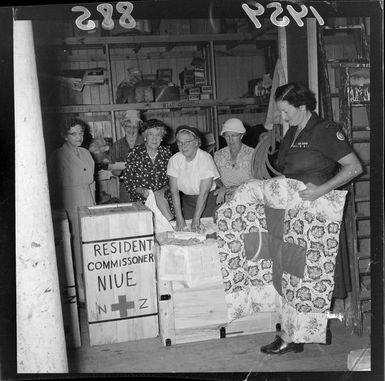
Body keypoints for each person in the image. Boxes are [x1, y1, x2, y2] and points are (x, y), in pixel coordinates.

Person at [260, 82, 363, 355]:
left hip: (318, 216)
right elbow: (287, 171)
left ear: (302, 107)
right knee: (293, 274)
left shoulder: (326, 131)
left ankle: (298, 334)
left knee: (313, 276)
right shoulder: (293, 132)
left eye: (285, 112)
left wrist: (321, 190)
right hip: (294, 215)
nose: (282, 118)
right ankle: (297, 333)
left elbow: (354, 167)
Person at [48, 118, 96, 303]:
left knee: (89, 245)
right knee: (76, 247)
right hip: (69, 203)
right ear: (64, 135)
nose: (78, 137)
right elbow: (52, 187)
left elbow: (92, 184)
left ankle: (91, 287)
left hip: (87, 203)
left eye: (81, 133)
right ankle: (80, 292)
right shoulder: (57, 156)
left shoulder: (86, 153)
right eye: (73, 134)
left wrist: (94, 207)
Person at [167, 125, 220, 233]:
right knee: (187, 235)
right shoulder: (174, 160)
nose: (183, 146)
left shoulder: (205, 159)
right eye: (180, 142)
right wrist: (179, 217)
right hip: (188, 202)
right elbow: (174, 192)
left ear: (196, 142)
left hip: (208, 201)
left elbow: (203, 194)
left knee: (208, 234)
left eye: (187, 142)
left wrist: (196, 219)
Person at [122, 118, 174, 220]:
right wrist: (141, 191)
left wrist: (163, 190)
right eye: (151, 134)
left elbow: (173, 179)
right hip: (143, 202)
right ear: (145, 137)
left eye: (158, 135)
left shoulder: (166, 153)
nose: (154, 139)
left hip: (164, 201)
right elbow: (128, 181)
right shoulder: (134, 153)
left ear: (162, 138)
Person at [213, 118, 254, 204]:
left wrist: (235, 189)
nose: (230, 140)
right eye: (227, 136)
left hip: (247, 198)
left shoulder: (252, 154)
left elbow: (258, 180)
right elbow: (215, 178)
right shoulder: (218, 155)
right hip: (224, 199)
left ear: (241, 136)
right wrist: (222, 187)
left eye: (234, 136)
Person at [108, 110, 144, 202]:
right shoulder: (117, 146)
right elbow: (114, 172)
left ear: (139, 127)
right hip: (125, 188)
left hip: (145, 186)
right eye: (129, 126)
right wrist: (118, 169)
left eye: (135, 127)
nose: (131, 131)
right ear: (123, 126)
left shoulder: (147, 143)